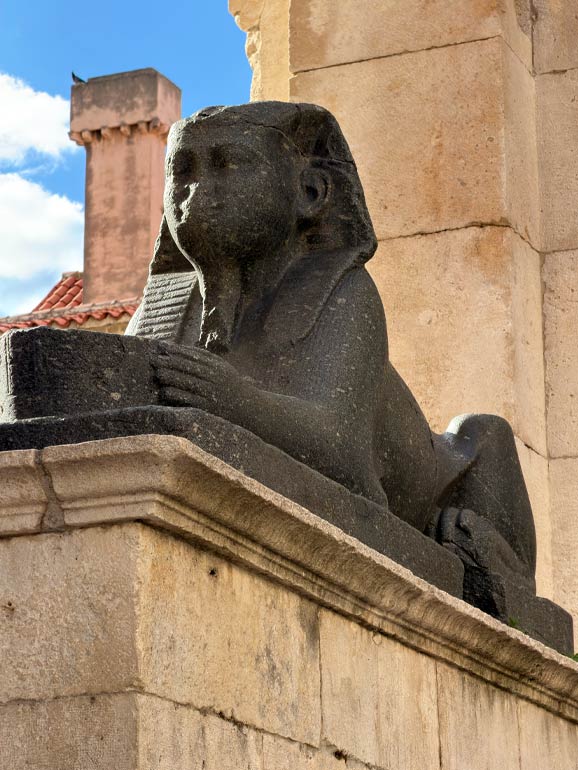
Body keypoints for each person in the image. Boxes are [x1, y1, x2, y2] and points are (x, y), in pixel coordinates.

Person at [127, 102, 536, 585]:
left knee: (483, 431)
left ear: (310, 193)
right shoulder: (168, 311)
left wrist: (231, 399)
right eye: (183, 171)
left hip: (439, 487)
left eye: (229, 164)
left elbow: (341, 455)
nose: (195, 193)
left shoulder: (345, 292)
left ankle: (505, 568)